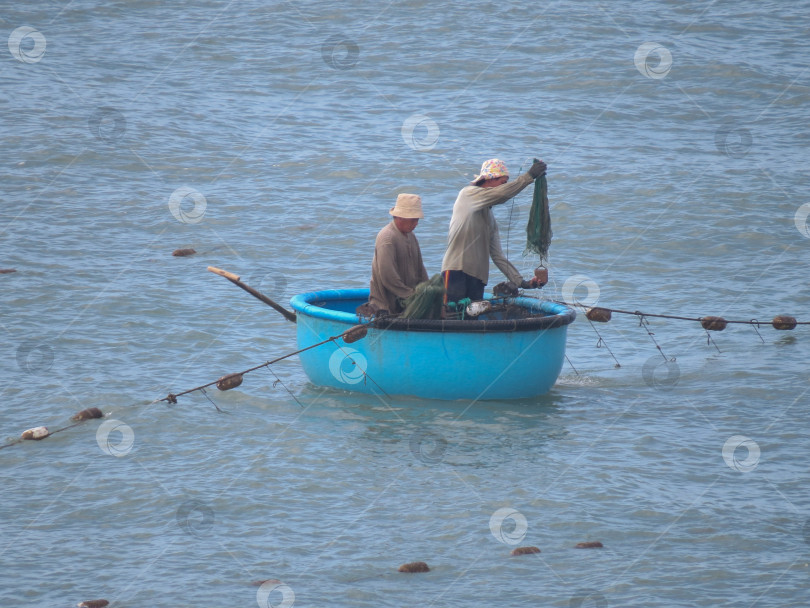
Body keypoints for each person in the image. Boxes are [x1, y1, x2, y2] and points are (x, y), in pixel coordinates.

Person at [441, 158, 547, 302]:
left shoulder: (490, 220)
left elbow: (498, 256)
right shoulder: (468, 194)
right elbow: (502, 195)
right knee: (452, 316)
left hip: (478, 279)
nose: (504, 187)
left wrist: (523, 283)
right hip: (455, 272)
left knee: (472, 321)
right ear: (489, 179)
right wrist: (529, 176)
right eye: (502, 183)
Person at [366, 193, 429, 316]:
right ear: (400, 217)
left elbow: (421, 270)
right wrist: (412, 295)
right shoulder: (387, 237)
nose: (416, 223)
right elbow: (388, 276)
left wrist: (427, 292)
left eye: (417, 220)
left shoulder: (411, 236)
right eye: (413, 219)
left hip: (407, 305)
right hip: (385, 307)